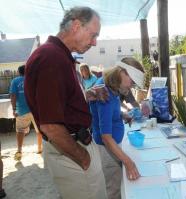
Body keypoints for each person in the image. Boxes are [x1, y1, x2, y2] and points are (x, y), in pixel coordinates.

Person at [24, 7, 107, 199]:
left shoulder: (58, 55)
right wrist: (83, 158)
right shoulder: (51, 58)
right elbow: (51, 126)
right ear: (76, 25)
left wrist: (88, 94)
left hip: (73, 148)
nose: (94, 42)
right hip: (73, 152)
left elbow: (63, 102)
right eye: (93, 35)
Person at [90, 58, 144, 199]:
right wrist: (128, 161)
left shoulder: (111, 87)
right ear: (122, 72)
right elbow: (106, 137)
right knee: (113, 190)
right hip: (107, 149)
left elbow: (106, 113)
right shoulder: (105, 92)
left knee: (117, 184)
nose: (131, 87)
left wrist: (122, 115)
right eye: (131, 82)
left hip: (112, 145)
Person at [9, 65, 42, 161]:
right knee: (39, 130)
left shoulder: (15, 81)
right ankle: (40, 148)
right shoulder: (33, 79)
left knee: (20, 131)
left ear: (19, 72)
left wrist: (14, 109)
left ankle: (19, 151)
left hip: (21, 110)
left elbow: (13, 95)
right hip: (35, 109)